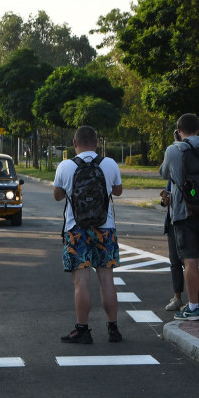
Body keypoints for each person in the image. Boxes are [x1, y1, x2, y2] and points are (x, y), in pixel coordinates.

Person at [53, 126, 124, 344]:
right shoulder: (109, 163)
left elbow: (57, 196)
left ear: (74, 144)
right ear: (96, 142)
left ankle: (82, 329)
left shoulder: (65, 166)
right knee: (107, 279)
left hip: (76, 230)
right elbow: (118, 191)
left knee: (81, 282)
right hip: (105, 227)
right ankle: (113, 329)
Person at [159, 113, 199, 321]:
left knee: (190, 261)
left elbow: (164, 173)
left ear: (178, 130)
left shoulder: (173, 150)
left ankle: (193, 306)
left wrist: (177, 143)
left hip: (184, 212)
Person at [160, 184, 185, 311]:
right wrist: (165, 199)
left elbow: (193, 194)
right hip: (172, 221)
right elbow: (164, 200)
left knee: (189, 262)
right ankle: (177, 298)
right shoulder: (172, 171)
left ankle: (196, 300)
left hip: (187, 221)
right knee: (175, 262)